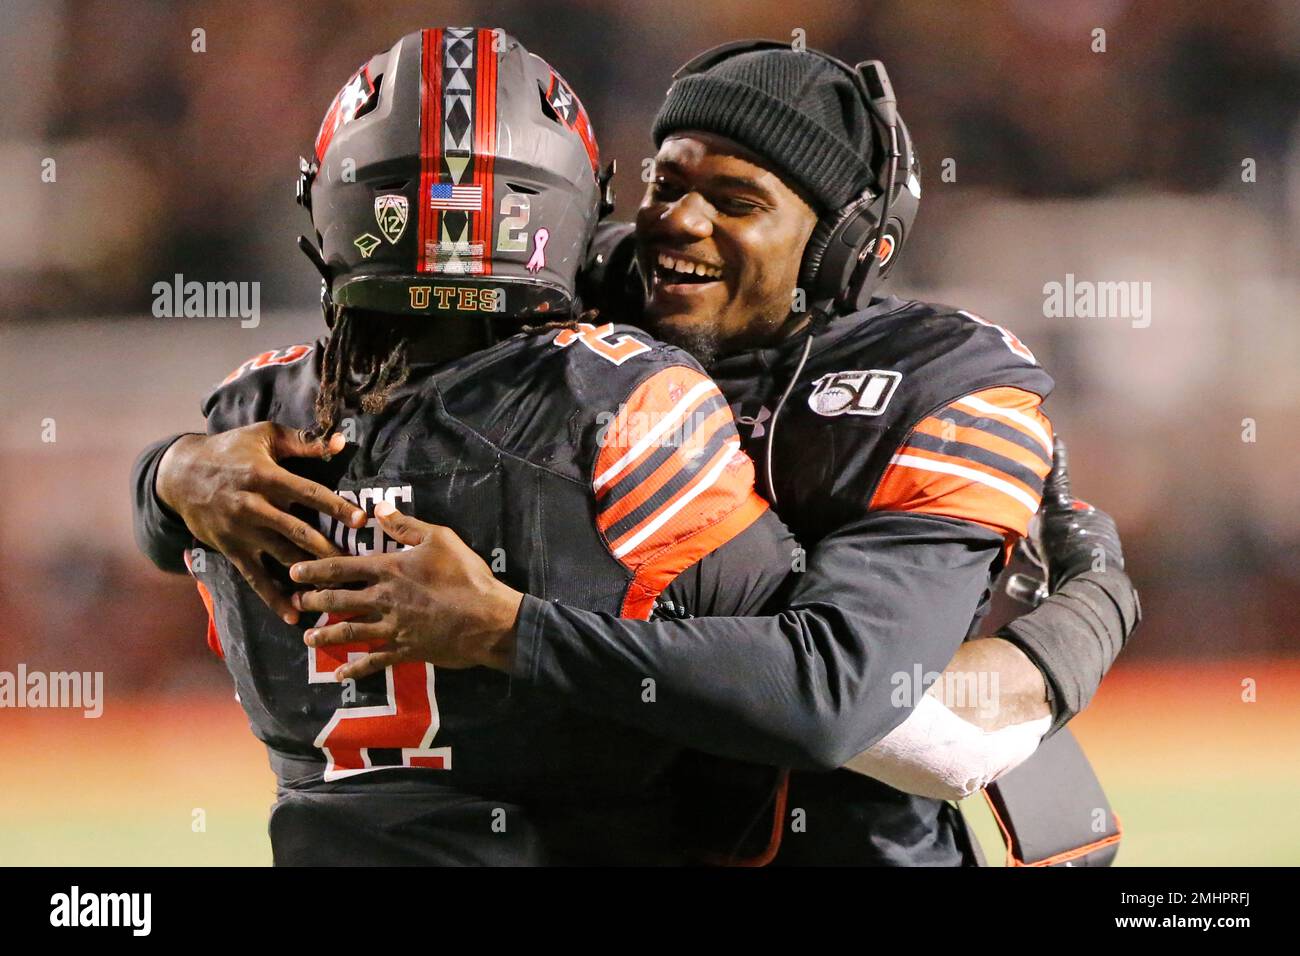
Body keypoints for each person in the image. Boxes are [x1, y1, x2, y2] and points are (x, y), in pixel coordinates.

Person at [134, 37, 1140, 866]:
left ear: (842, 242)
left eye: (736, 200)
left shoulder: (932, 381)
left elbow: (862, 698)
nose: (675, 224)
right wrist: (173, 470)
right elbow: (864, 709)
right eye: (665, 183)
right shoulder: (597, 365)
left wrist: (1079, 619)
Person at [133, 26, 806, 865]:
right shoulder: (621, 399)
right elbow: (785, 676)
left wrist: (162, 474)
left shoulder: (243, 419)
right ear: (572, 203)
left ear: (330, 202)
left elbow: (162, 524)